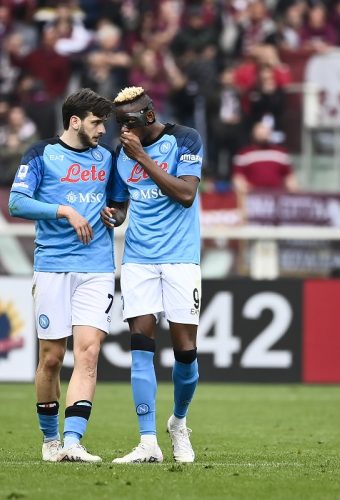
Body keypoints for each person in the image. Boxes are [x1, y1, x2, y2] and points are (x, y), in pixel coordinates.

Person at [7, 88, 116, 463]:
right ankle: (50, 440)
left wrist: (113, 215)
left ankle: (73, 442)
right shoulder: (40, 154)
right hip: (52, 265)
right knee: (52, 358)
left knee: (88, 353)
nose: (103, 130)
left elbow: (118, 203)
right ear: (75, 121)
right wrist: (65, 211)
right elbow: (16, 202)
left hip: (97, 266)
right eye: (97, 122)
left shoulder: (107, 157)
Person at [103, 86, 203, 464]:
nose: (121, 132)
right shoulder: (120, 155)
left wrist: (142, 157)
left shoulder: (185, 140)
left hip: (180, 260)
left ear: (147, 117)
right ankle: (148, 442)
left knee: (184, 352)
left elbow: (185, 194)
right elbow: (120, 206)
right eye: (117, 124)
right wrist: (113, 216)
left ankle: (178, 423)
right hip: (139, 260)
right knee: (140, 346)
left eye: (127, 123)